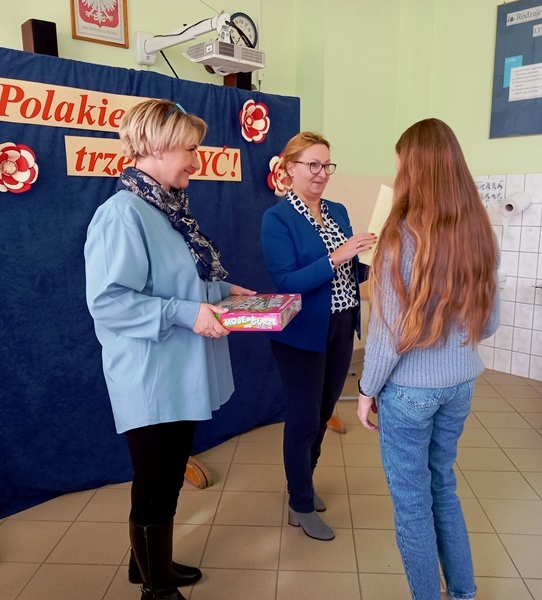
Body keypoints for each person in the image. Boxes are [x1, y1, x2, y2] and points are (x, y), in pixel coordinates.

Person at [84, 99, 254, 600]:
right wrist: (186, 313)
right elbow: (109, 303)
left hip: (178, 371)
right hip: (151, 375)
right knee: (155, 483)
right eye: (190, 150)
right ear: (156, 147)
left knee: (168, 478)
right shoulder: (121, 214)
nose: (196, 161)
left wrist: (224, 291)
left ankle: (147, 566)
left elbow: (178, 282)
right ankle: (156, 591)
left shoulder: (167, 209)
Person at [357, 118, 500, 600]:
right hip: (461, 384)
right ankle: (463, 593)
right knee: (443, 486)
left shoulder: (398, 236)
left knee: (412, 503)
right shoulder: (479, 231)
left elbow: (388, 334)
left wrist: (366, 391)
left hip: (410, 392)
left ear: (412, 170)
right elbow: (490, 323)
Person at [261, 132, 375, 541]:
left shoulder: (337, 211)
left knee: (323, 413)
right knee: (304, 419)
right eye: (312, 164)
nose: (321, 173)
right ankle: (301, 503)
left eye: (327, 165)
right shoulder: (277, 218)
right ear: (289, 168)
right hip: (301, 333)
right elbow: (287, 282)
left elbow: (350, 270)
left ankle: (302, 485)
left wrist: (373, 259)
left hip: (341, 326)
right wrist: (338, 255)